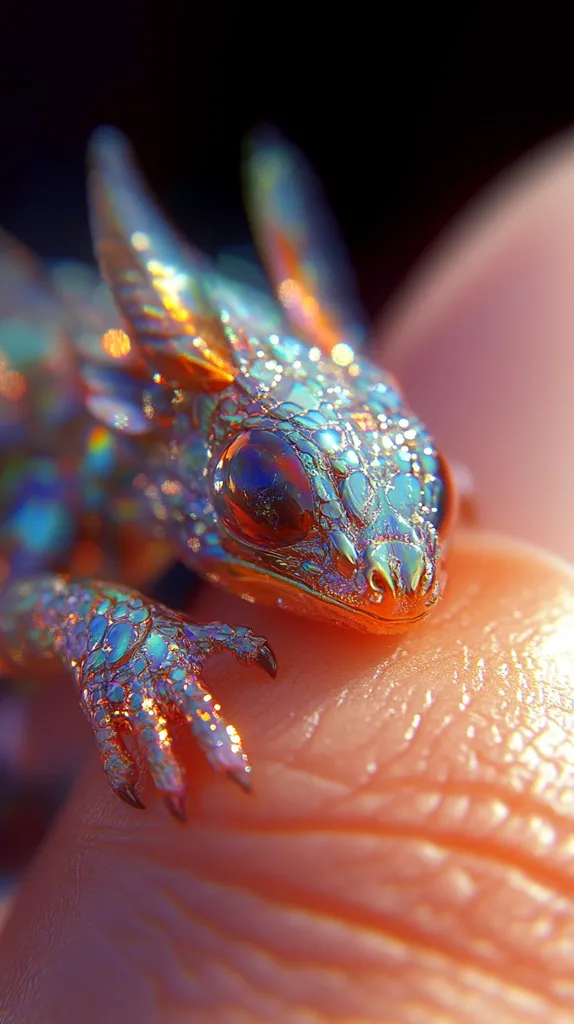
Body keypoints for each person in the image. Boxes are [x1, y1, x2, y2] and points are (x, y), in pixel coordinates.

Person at [2, 132, 574, 1024]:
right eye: (268, 499)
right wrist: (113, 634)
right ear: (184, 451)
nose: (390, 579)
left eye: (428, 489)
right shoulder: (97, 449)